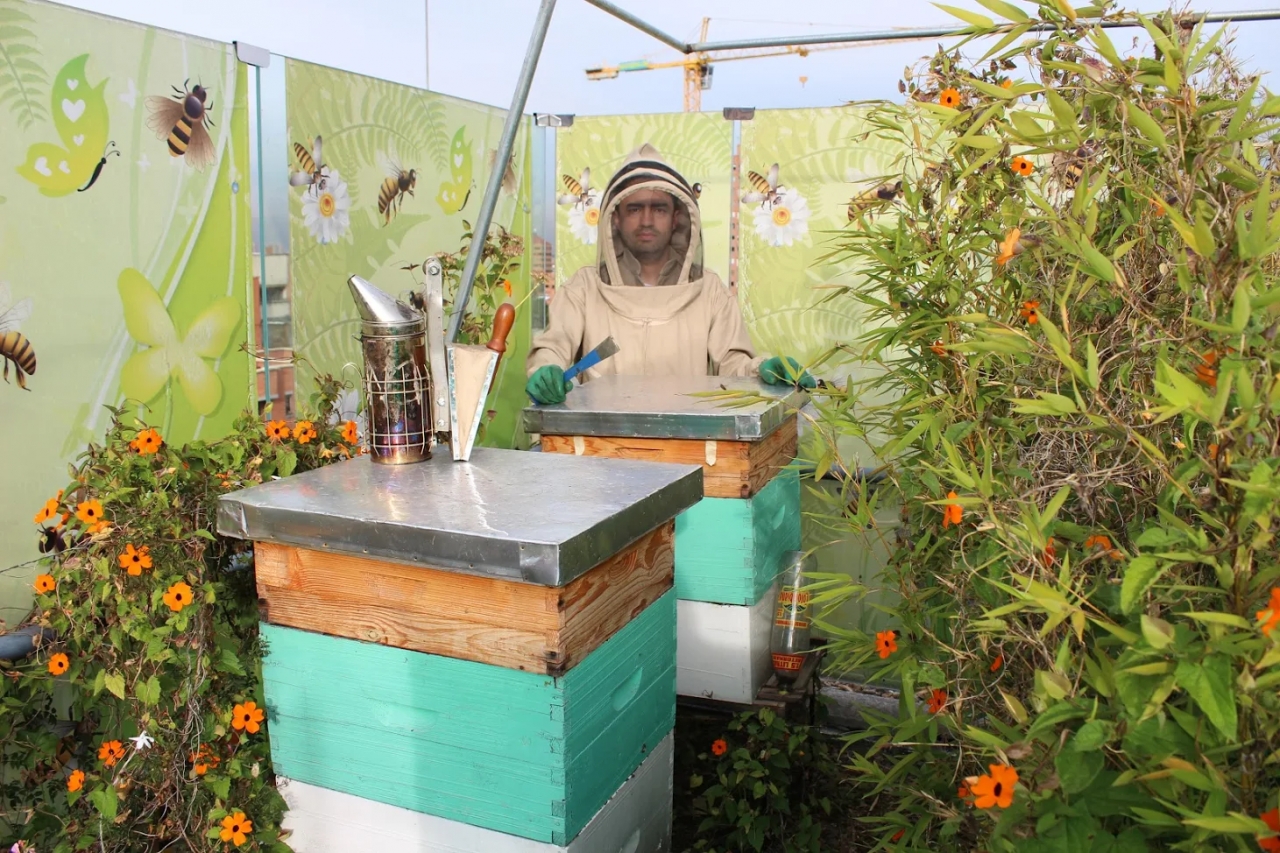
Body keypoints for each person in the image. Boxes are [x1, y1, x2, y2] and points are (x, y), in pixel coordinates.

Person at [525, 143, 814, 405]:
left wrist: (761, 369)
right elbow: (553, 349)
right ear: (616, 217)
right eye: (635, 208)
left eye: (659, 209)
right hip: (600, 450)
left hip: (688, 448)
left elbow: (733, 363)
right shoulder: (584, 289)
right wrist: (545, 371)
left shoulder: (709, 290)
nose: (647, 220)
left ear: (677, 217)